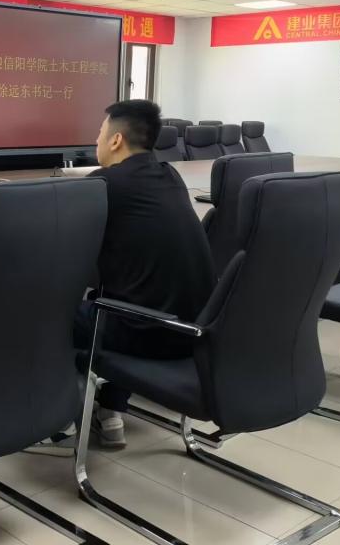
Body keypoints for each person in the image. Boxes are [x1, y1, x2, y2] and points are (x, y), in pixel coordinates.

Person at [80, 99, 215, 447]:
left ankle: (56, 414)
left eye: (99, 132)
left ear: (116, 140)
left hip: (149, 336)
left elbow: (60, 245)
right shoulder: (170, 176)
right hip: (196, 333)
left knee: (51, 310)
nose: (96, 140)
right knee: (125, 294)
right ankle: (110, 410)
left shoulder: (103, 183)